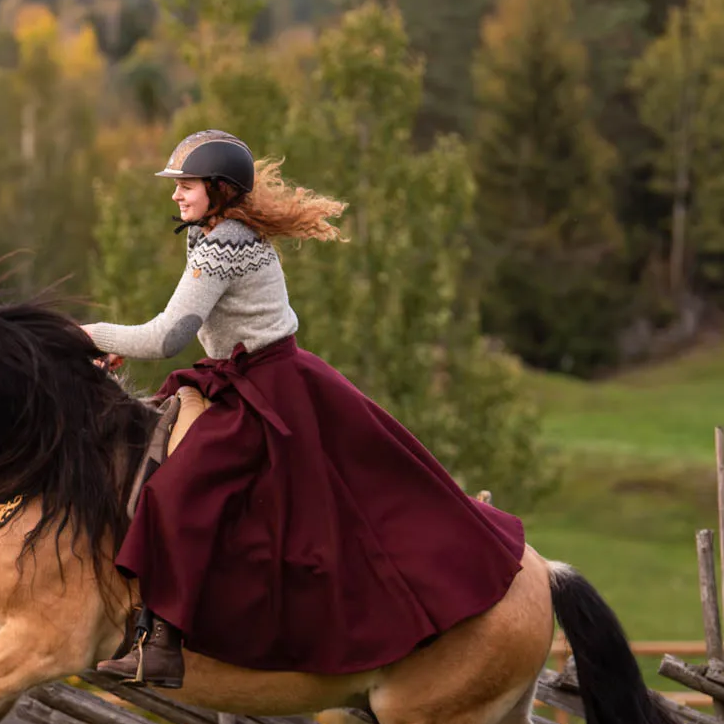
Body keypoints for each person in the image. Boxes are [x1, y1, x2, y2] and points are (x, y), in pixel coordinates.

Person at [85, 130, 525, 690]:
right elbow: (186, 322)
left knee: (177, 493)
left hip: (268, 387)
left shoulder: (226, 242)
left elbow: (171, 335)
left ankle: (165, 644)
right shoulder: (206, 233)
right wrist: (118, 341)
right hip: (237, 377)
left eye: (187, 185)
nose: (176, 195)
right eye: (177, 186)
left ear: (219, 190)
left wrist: (87, 336)